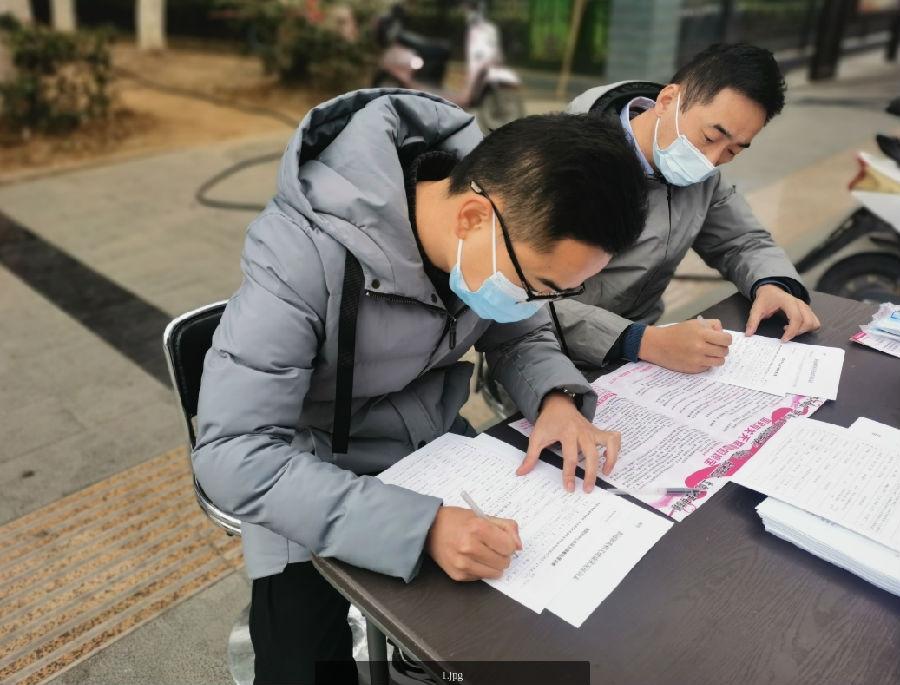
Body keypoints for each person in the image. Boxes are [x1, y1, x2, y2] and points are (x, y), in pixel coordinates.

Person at [192, 89, 648, 684]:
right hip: (310, 471)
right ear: (472, 218)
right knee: (302, 667)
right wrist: (422, 527)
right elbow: (232, 455)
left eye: (560, 291)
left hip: (435, 451)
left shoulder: (497, 232)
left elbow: (522, 332)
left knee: (523, 638)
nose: (538, 301)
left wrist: (556, 399)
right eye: (537, 283)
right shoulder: (299, 254)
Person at [556, 43, 820, 373]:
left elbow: (741, 240)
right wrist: (641, 341)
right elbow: (523, 301)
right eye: (710, 137)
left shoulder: (701, 174)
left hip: (639, 356)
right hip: (550, 357)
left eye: (733, 151)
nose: (712, 160)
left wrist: (772, 284)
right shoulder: (562, 164)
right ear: (667, 100)